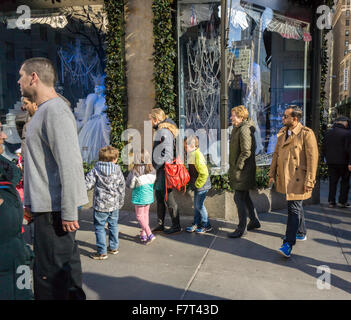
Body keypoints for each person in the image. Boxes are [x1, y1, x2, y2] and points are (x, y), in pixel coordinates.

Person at [18, 57, 88, 300]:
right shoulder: (46, 111)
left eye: (21, 75)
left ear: (34, 77)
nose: (19, 81)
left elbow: (69, 163)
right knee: (66, 278)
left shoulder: (55, 111)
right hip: (48, 209)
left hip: (54, 212)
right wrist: (29, 201)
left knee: (50, 280)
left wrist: (68, 210)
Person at [269, 105, 318, 258]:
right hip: (285, 177)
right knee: (295, 205)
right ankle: (301, 232)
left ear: (294, 119)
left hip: (299, 179)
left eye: (285, 116)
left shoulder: (306, 134)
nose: (283, 118)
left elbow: (313, 159)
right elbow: (276, 155)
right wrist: (272, 173)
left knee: (293, 209)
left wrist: (310, 180)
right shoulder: (283, 133)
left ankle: (288, 244)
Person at [0, 123, 33, 300]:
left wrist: (25, 254)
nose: (4, 136)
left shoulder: (6, 173)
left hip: (19, 266)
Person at [85, 146, 125, 259]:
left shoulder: (96, 169)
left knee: (99, 227)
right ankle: (113, 247)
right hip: (114, 204)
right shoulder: (117, 170)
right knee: (113, 225)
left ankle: (102, 252)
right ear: (115, 159)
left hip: (100, 205)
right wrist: (121, 201)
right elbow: (121, 187)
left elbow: (87, 184)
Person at [227, 105, 261, 238]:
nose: (231, 117)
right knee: (244, 196)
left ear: (241, 117)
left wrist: (238, 166)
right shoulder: (238, 128)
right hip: (242, 169)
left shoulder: (244, 130)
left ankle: (241, 228)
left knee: (238, 197)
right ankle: (253, 220)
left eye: (233, 115)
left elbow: (246, 151)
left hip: (243, 170)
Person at [149, 108, 182, 235]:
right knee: (159, 196)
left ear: (156, 119)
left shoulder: (163, 131)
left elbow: (167, 153)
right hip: (161, 169)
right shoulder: (162, 129)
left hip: (164, 170)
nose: (150, 122)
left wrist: (156, 166)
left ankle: (176, 225)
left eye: (150, 119)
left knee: (168, 197)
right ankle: (160, 224)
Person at [126, 149, 157, 244]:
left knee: (139, 216)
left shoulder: (135, 171)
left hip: (139, 196)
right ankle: (143, 234)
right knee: (145, 215)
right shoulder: (152, 170)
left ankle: (149, 233)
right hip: (148, 196)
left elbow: (130, 185)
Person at [78, 75, 110, 163]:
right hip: (93, 123)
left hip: (102, 123)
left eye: (100, 87)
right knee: (88, 144)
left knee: (101, 142)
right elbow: (89, 112)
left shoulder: (106, 99)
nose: (98, 89)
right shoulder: (93, 98)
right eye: (96, 87)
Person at [184, 135, 212, 234]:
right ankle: (196, 223)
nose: (184, 148)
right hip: (198, 185)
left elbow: (204, 173)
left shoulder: (197, 155)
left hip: (202, 185)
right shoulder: (192, 154)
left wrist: (197, 184)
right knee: (196, 206)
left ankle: (206, 225)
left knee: (199, 206)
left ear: (191, 146)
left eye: (185, 146)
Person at [322, 116, 351, 208]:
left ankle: (331, 201)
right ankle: (342, 201)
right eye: (347, 122)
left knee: (332, 182)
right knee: (345, 182)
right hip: (344, 162)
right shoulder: (347, 133)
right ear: (343, 122)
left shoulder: (328, 133)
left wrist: (325, 158)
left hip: (331, 162)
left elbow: (324, 148)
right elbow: (349, 149)